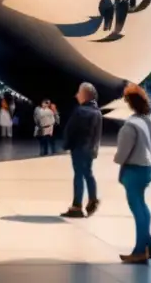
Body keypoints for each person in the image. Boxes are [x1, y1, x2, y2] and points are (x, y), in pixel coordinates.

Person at [114, 83, 151, 264]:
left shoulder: (131, 124)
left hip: (133, 169)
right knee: (142, 207)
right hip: (147, 167)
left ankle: (141, 250)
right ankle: (149, 246)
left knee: (137, 208)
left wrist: (118, 159)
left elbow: (123, 152)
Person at [61, 82, 102, 218]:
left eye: (79, 92)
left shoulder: (79, 111)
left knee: (78, 175)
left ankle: (77, 206)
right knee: (88, 174)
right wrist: (95, 149)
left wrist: (67, 144)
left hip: (78, 148)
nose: (76, 95)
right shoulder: (97, 112)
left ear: (85, 95)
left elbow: (70, 129)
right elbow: (97, 134)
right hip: (90, 149)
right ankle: (93, 200)